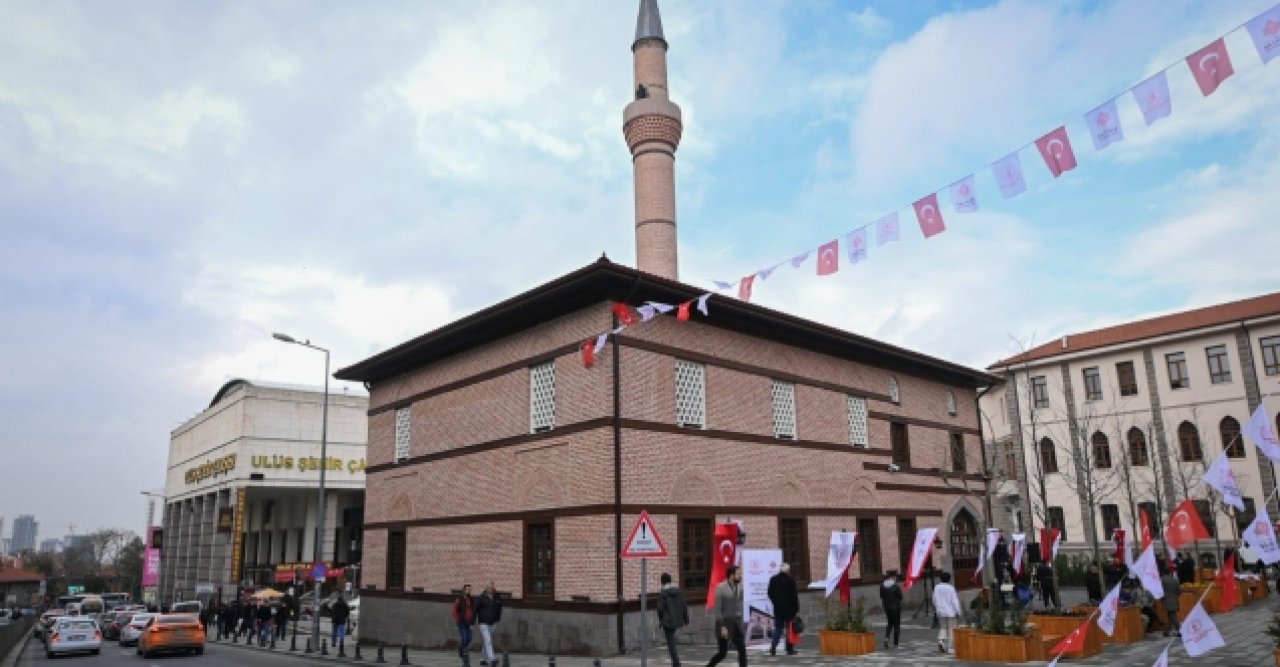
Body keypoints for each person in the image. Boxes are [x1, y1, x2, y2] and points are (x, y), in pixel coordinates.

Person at [707, 565, 746, 667]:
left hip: (736, 623)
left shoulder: (740, 587)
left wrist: (741, 617)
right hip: (725, 623)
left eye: (740, 574)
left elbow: (739, 604)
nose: (740, 576)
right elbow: (718, 609)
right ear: (731, 575)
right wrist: (722, 627)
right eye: (738, 574)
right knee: (722, 653)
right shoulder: (720, 587)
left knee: (742, 648)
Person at [656, 573, 689, 667]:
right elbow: (684, 605)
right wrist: (686, 619)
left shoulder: (663, 594)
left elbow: (660, 609)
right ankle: (675, 662)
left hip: (667, 621)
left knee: (671, 642)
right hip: (677, 620)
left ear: (662, 582)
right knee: (672, 640)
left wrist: (661, 619)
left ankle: (676, 662)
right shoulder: (679, 592)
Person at [766, 563, 799, 656]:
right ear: (788, 571)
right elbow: (794, 596)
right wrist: (796, 610)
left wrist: (775, 602)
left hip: (778, 608)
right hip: (789, 609)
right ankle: (789, 649)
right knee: (790, 629)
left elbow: (769, 593)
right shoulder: (790, 580)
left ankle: (773, 645)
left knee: (778, 628)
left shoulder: (773, 579)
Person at [932, 571, 962, 654]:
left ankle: (941, 641)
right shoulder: (951, 588)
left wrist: (937, 608)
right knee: (952, 629)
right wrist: (958, 611)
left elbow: (934, 599)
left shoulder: (937, 587)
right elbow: (954, 601)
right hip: (951, 611)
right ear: (949, 579)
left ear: (940, 579)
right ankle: (951, 648)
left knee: (943, 628)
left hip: (941, 611)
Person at [475, 582, 503, 667]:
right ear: (486, 588)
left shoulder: (497, 597)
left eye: (492, 587)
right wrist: (472, 622)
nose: (491, 589)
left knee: (487, 641)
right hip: (483, 622)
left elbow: (499, 608)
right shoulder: (481, 598)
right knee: (488, 640)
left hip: (493, 622)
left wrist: (498, 619)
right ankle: (492, 659)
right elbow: (475, 609)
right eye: (489, 587)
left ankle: (483, 660)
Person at [878, 571, 902, 649]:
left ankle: (887, 638)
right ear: (893, 577)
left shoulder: (882, 586)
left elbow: (881, 596)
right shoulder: (896, 586)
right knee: (896, 625)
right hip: (896, 608)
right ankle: (896, 644)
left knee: (889, 623)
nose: (896, 579)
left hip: (887, 607)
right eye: (895, 577)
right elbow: (900, 597)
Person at [452, 585, 476, 658]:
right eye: (467, 589)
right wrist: (457, 619)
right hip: (462, 621)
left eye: (469, 589)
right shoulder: (459, 599)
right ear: (464, 590)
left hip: (470, 622)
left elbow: (474, 611)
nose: (468, 591)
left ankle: (461, 648)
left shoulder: (472, 600)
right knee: (464, 638)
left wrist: (473, 622)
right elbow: (455, 610)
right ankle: (462, 650)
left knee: (469, 638)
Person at [1160, 563, 1181, 637]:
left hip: (1166, 599)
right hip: (1174, 599)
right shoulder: (1175, 580)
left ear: (1163, 572)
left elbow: (1160, 590)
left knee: (1172, 615)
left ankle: (1179, 629)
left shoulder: (1162, 580)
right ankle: (1166, 631)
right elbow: (1179, 591)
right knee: (1170, 615)